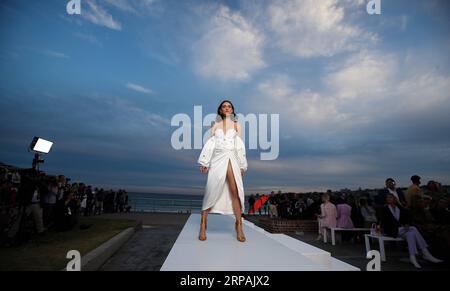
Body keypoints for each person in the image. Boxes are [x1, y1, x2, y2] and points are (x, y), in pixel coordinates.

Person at [198, 100, 248, 242]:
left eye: (229, 106)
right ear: (220, 110)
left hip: (231, 157)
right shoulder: (214, 125)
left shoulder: (237, 125)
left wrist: (242, 165)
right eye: (224, 106)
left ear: (232, 110)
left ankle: (239, 225)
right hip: (217, 158)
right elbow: (211, 144)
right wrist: (205, 161)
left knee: (235, 191)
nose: (226, 108)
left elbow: (239, 145)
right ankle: (203, 223)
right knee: (211, 189)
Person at [380, 193, 443, 268]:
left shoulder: (399, 208)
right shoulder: (384, 208)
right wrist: (403, 226)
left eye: (390, 197)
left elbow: (406, 218)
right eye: (387, 197)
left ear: (395, 199)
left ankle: (412, 257)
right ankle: (426, 253)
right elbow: (384, 222)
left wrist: (406, 224)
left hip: (402, 230)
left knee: (411, 234)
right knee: (413, 228)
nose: (388, 199)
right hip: (391, 230)